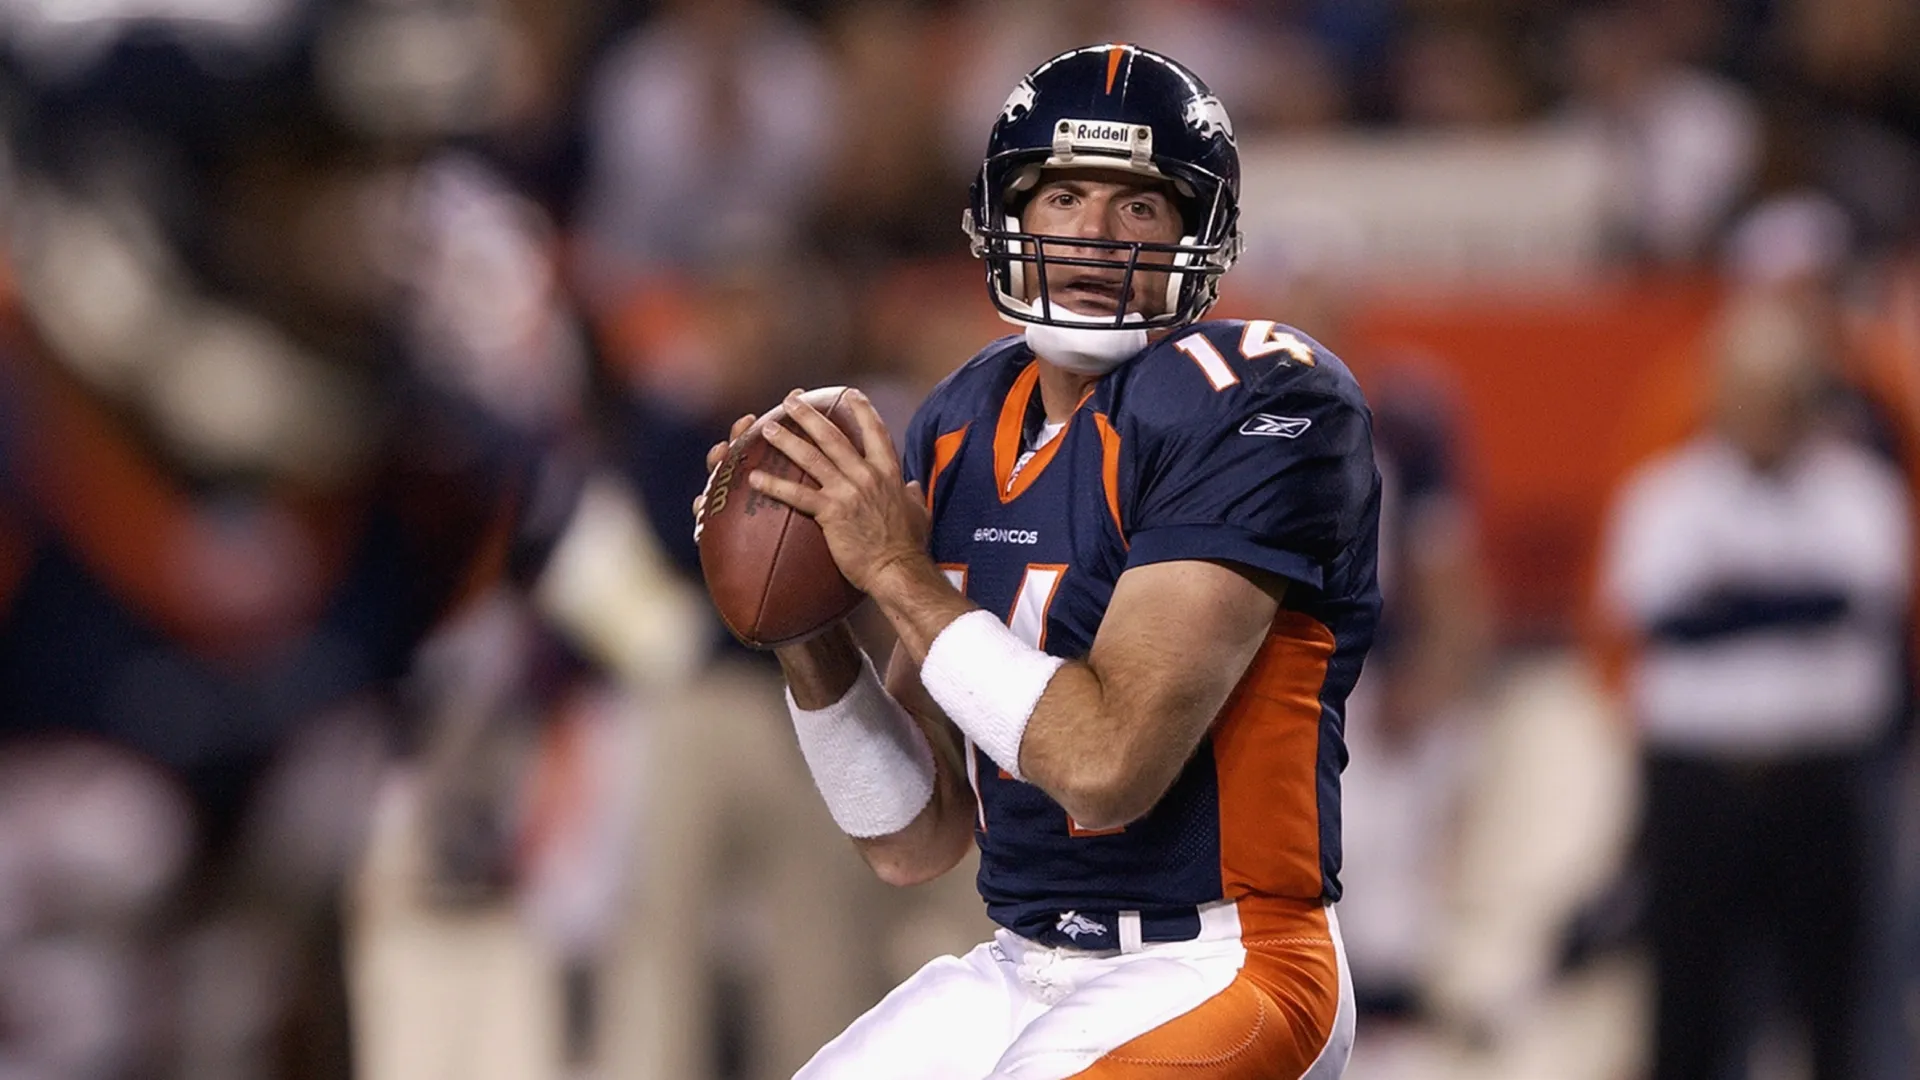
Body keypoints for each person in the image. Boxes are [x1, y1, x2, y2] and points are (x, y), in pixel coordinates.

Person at [701, 44, 1379, 1077]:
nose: (1097, 239)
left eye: (1140, 207)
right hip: (1024, 966)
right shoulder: (964, 419)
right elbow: (913, 838)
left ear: (1200, 233)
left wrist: (891, 567)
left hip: (1227, 967)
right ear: (1007, 219)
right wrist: (809, 635)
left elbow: (1106, 769)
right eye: (1063, 196)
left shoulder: (1262, 401)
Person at [1594, 292, 1911, 1080]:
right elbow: (1659, 619)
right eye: (1750, 392)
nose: (1766, 413)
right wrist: (1791, 605)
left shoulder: (1859, 490)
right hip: (1699, 785)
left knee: (1837, 1005)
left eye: (1783, 393)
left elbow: (1859, 601)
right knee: (1691, 1005)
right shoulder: (1668, 494)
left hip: (1823, 781)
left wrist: (1726, 604)